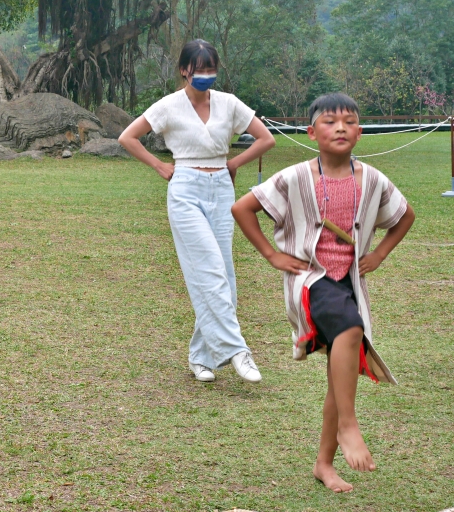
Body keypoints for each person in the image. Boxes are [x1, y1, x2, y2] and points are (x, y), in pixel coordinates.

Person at [232, 93, 414, 492]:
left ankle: (324, 464)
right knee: (350, 330)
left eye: (349, 122)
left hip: (348, 282)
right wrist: (271, 255)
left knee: (341, 373)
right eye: (330, 122)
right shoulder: (295, 177)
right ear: (312, 132)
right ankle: (349, 425)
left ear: (360, 132)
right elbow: (243, 208)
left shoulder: (371, 179)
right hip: (311, 280)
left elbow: (404, 215)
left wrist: (380, 253)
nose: (341, 128)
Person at [118, 39, 275, 382]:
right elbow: (128, 137)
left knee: (225, 275)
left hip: (220, 187)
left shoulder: (229, 104)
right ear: (184, 70)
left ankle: (200, 357)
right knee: (207, 268)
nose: (205, 75)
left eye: (210, 69)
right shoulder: (169, 105)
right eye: (199, 69)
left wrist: (233, 162)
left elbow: (266, 139)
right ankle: (237, 350)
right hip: (185, 187)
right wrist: (160, 167)